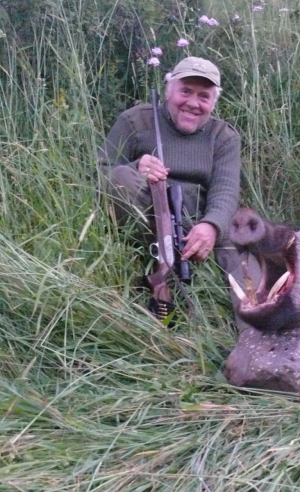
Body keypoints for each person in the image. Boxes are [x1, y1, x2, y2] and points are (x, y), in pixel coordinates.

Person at [99, 56, 244, 309]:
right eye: (185, 91)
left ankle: (251, 319)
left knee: (243, 245)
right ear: (169, 91)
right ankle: (152, 267)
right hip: (145, 220)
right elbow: (99, 172)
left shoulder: (224, 137)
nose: (193, 103)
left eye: (204, 96)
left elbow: (226, 191)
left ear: (213, 103)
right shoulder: (134, 120)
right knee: (119, 177)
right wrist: (135, 166)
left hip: (195, 225)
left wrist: (211, 227)